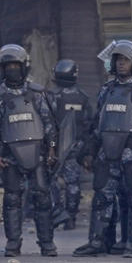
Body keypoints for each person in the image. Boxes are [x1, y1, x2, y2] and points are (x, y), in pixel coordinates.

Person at [73, 40, 132, 258]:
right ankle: (97, 242)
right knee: (102, 197)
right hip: (107, 153)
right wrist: (89, 151)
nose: (121, 64)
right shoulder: (106, 90)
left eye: (126, 60)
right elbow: (96, 124)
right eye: (118, 60)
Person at [0, 44, 58, 258]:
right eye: (8, 66)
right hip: (10, 156)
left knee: (43, 199)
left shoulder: (37, 94)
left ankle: (47, 244)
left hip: (38, 154)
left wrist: (52, 150)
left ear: (24, 66)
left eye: (16, 65)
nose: (12, 70)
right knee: (12, 201)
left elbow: (49, 125)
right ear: (2, 68)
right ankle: (13, 244)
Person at [48, 59, 92, 231]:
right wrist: (86, 151)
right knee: (73, 183)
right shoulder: (83, 97)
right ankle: (70, 217)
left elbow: (48, 124)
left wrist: (50, 146)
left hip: (56, 145)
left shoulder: (52, 96)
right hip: (76, 146)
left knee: (50, 180)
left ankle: (58, 212)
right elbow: (89, 125)